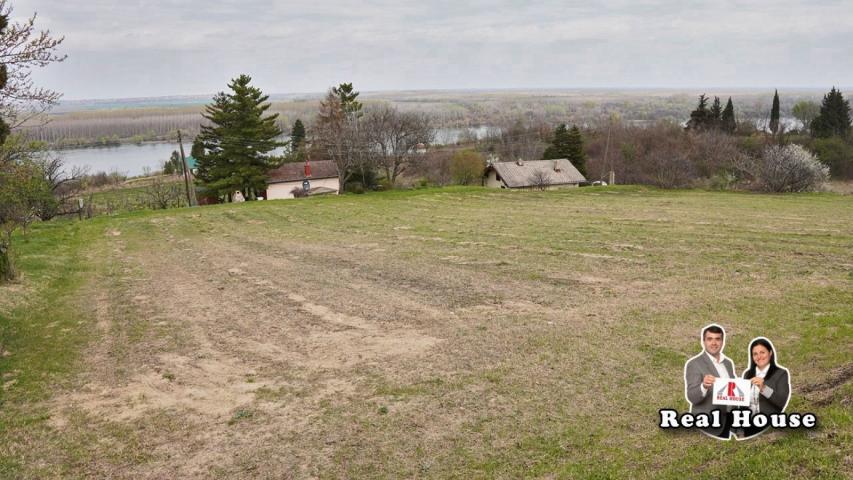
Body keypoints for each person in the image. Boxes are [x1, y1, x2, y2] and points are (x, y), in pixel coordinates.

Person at [684, 324, 736, 439]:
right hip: (707, 425)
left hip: (728, 422)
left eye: (717, 339)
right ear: (703, 341)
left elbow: (732, 392)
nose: (714, 343)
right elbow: (692, 397)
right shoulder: (694, 364)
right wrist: (704, 386)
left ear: (722, 341)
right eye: (710, 339)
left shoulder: (728, 363)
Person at [739, 337, 791, 439]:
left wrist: (764, 388)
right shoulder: (747, 374)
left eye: (762, 352)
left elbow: (782, 402)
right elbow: (743, 403)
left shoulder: (781, 373)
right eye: (755, 354)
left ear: (770, 353)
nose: (759, 356)